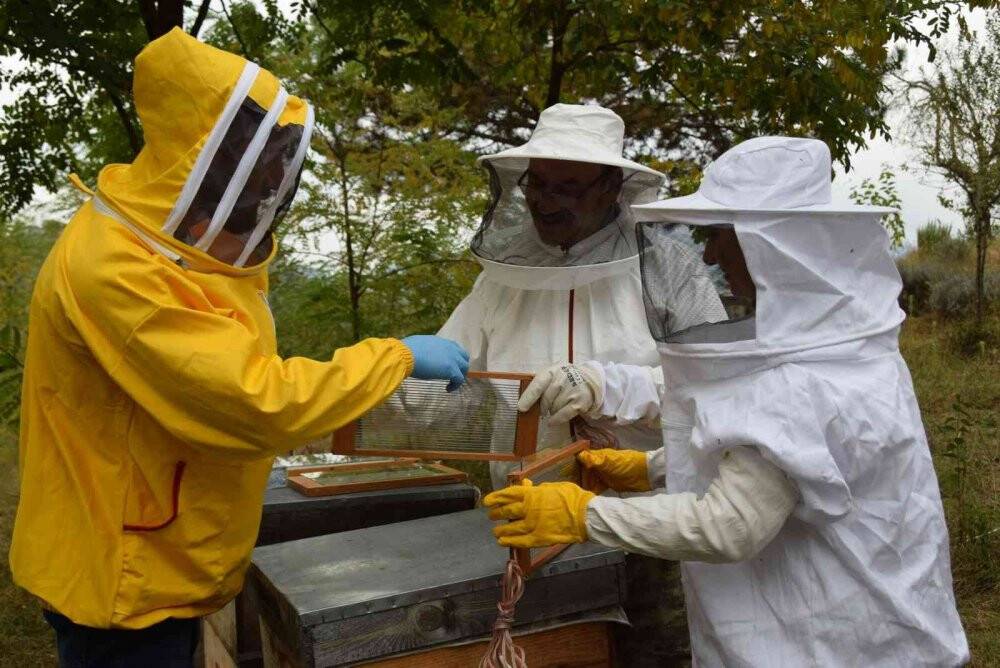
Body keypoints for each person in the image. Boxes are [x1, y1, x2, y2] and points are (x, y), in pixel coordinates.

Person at [9, 29, 468, 667]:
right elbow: (253, 399)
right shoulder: (115, 270)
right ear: (210, 159)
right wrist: (393, 357)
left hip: (154, 559)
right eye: (259, 165)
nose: (273, 181)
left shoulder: (155, 240)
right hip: (119, 578)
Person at [485, 136, 970, 666]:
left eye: (722, 236)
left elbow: (730, 525)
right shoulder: (849, 349)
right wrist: (653, 468)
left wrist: (585, 515)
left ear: (774, 248)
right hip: (886, 625)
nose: (711, 253)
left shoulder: (796, 381)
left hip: (820, 646)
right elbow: (802, 465)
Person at [438, 103, 723, 662]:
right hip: (529, 525)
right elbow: (446, 380)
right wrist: (374, 384)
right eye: (537, 184)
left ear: (610, 185)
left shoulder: (669, 271)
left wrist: (610, 388)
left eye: (567, 186)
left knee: (654, 653)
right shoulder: (502, 282)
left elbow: (716, 394)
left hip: (651, 529)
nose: (545, 201)